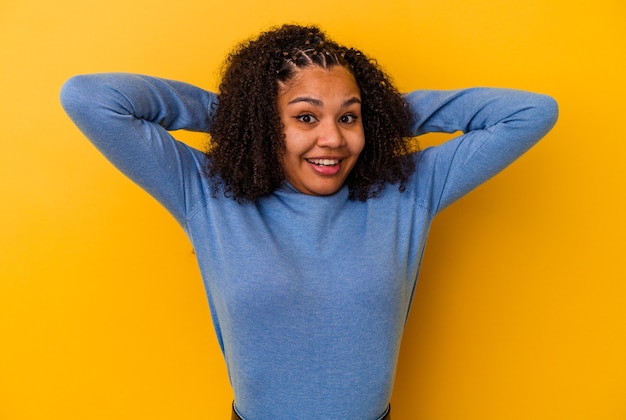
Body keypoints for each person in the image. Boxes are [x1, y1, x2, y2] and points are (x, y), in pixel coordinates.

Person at [60, 24, 558, 420]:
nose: (333, 140)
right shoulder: (207, 194)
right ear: (265, 122)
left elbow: (533, 111)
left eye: (348, 118)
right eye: (304, 117)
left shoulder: (408, 191)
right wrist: (240, 114)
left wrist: (378, 113)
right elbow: (89, 97)